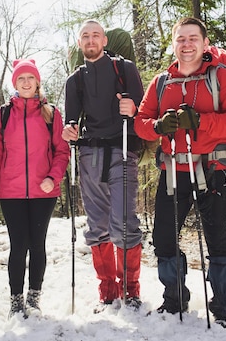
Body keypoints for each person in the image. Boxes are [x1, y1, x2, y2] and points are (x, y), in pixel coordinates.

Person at [134, 17, 226, 327]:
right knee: (164, 238)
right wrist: (157, 126)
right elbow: (140, 122)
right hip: (174, 170)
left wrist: (201, 121)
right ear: (174, 44)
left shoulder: (221, 76)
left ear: (204, 41)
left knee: (216, 238)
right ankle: (174, 298)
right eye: (181, 39)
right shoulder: (160, 83)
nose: (187, 44)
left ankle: (223, 308)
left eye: (193, 38)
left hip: (215, 168)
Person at [61, 20, 145, 312]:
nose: (91, 40)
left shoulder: (125, 69)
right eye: (85, 36)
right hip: (90, 154)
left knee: (123, 222)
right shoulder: (75, 80)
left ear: (105, 40)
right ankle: (108, 290)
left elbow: (143, 110)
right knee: (97, 226)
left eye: (95, 35)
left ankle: (130, 289)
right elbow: (71, 120)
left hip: (123, 148)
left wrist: (132, 108)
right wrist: (68, 130)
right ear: (80, 43)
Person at [0, 59, 69, 318]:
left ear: (37, 82)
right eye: (21, 78)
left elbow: (62, 152)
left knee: (37, 244)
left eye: (30, 78)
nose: (26, 82)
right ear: (15, 83)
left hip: (44, 192)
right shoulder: (3, 114)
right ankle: (15, 299)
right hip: (11, 192)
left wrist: (53, 178)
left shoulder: (51, 113)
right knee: (18, 245)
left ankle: (34, 296)